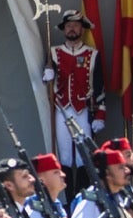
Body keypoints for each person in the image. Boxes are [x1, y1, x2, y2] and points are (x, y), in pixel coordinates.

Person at [43, 10, 105, 189]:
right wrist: (46, 73)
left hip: (84, 109)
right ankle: (67, 197)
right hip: (61, 109)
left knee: (84, 155)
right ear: (64, 29)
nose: (72, 29)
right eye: (68, 26)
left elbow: (100, 87)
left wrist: (101, 114)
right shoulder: (54, 53)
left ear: (82, 29)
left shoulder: (92, 55)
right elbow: (45, 79)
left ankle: (83, 194)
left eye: (75, 25)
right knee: (64, 156)